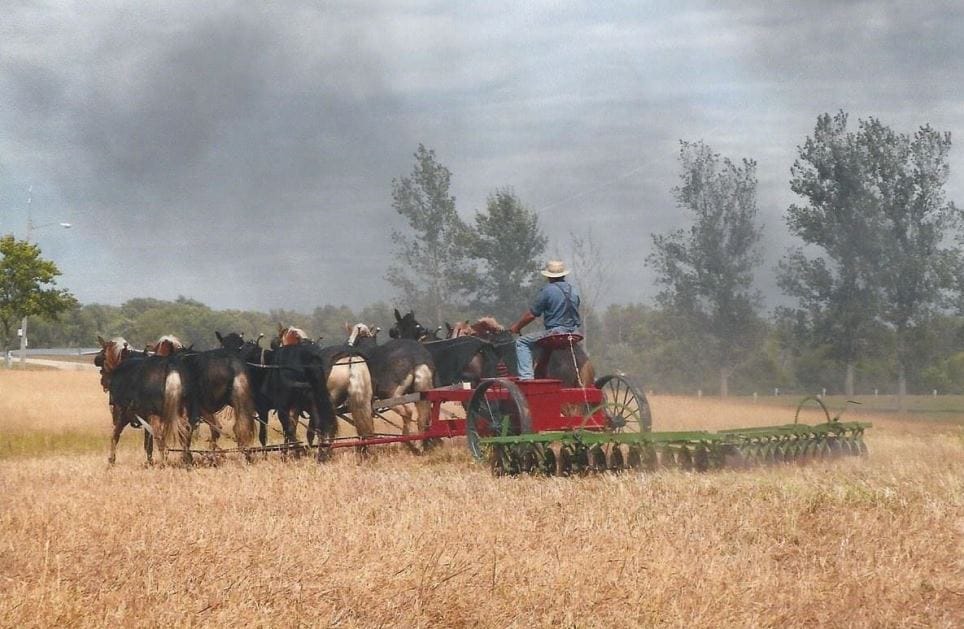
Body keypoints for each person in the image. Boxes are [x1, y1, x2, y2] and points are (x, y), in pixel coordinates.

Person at [509, 259, 582, 379]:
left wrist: (516, 327)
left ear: (549, 277)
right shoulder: (574, 291)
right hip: (574, 332)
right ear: (563, 275)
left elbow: (532, 315)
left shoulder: (547, 290)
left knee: (521, 342)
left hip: (555, 332)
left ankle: (526, 377)